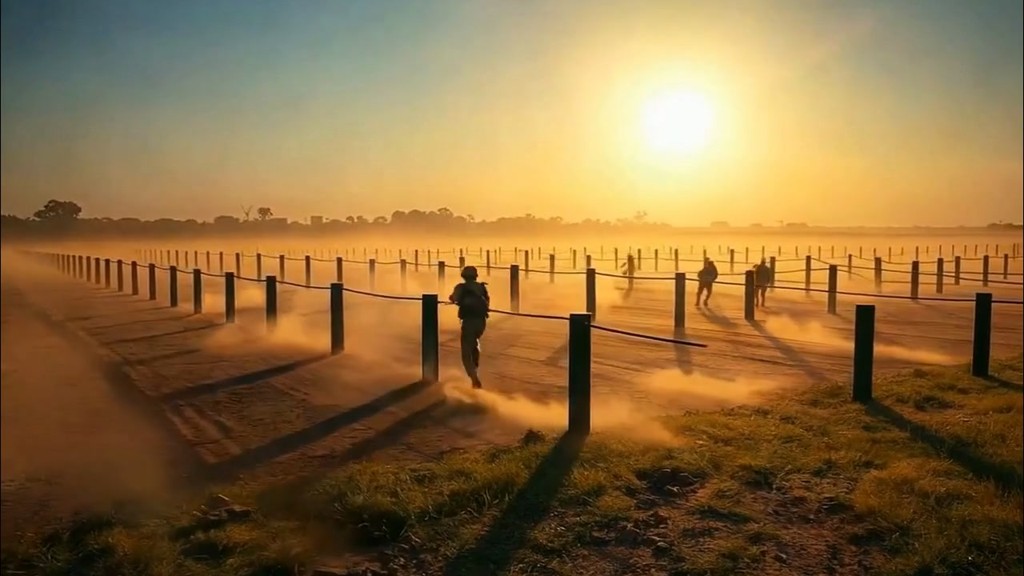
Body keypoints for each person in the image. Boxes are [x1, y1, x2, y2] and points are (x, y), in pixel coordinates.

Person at [449, 265, 490, 389]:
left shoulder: (461, 287)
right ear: (475, 276)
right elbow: (487, 303)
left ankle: (474, 378)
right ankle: (475, 368)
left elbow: (453, 298)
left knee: (466, 352)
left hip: (468, 322)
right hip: (481, 322)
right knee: (474, 345)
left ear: (464, 276)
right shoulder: (482, 288)